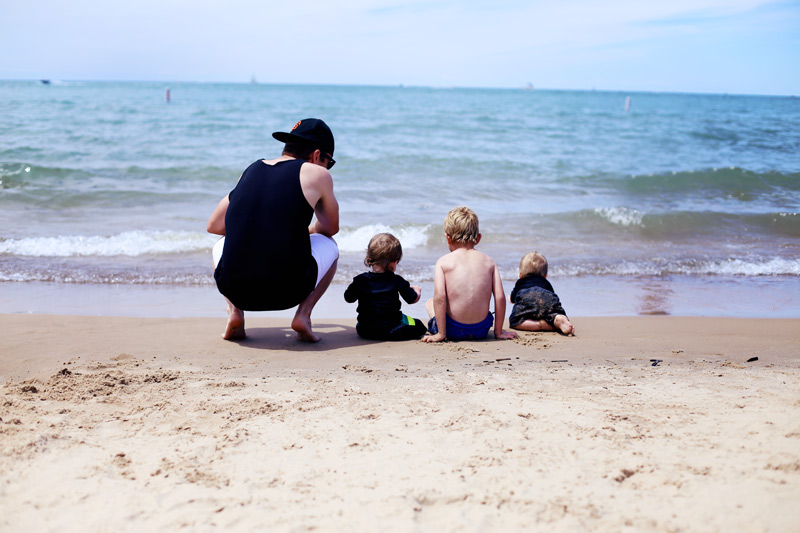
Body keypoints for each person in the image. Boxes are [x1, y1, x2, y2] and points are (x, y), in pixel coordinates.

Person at [207, 118, 340, 342]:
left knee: (220, 243)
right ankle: (303, 315)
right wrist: (303, 229)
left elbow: (214, 226)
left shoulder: (251, 170)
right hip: (288, 291)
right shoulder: (318, 174)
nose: (328, 168)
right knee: (332, 247)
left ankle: (235, 312)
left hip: (236, 288)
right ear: (317, 155)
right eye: (330, 162)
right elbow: (330, 228)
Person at [422, 206, 517, 342]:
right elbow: (500, 298)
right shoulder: (489, 262)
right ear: (478, 238)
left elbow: (440, 298)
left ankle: (436, 321)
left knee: (432, 305)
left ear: (448, 238)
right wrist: (498, 331)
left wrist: (441, 334)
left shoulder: (443, 262)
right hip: (481, 329)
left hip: (451, 330)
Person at [344, 233, 428, 341]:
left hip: (365, 330)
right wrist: (417, 291)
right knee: (419, 325)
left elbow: (348, 298)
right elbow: (412, 299)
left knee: (362, 324)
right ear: (392, 262)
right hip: (392, 329)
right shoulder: (396, 280)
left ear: (369, 257)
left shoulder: (360, 280)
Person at [509, 251, 575, 335]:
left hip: (526, 296)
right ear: (545, 276)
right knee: (553, 313)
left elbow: (513, 298)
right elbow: (551, 297)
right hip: (548, 296)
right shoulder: (546, 283)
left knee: (515, 321)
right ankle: (558, 319)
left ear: (520, 275)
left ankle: (538, 325)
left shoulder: (520, 282)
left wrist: (510, 298)